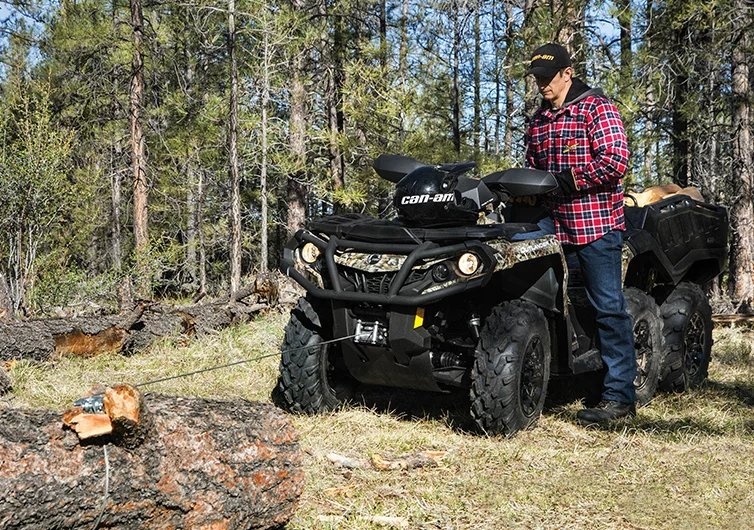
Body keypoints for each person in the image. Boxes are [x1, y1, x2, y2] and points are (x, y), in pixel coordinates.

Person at [523, 42, 636, 425]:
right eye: (537, 78)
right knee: (543, 300)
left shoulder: (596, 108)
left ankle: (619, 397)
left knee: (608, 308)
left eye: (548, 77)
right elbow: (535, 171)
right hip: (552, 226)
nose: (542, 84)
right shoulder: (539, 121)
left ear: (567, 73)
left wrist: (569, 180)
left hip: (595, 226)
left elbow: (615, 161)